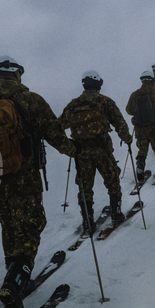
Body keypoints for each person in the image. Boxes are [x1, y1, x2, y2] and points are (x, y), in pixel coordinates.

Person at [0, 57, 77, 308]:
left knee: (8, 224)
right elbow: (54, 132)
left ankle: (13, 273)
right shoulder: (29, 99)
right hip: (23, 177)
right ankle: (14, 284)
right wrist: (73, 151)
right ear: (15, 74)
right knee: (30, 227)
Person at [58, 70, 132, 233]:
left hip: (81, 152)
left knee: (85, 187)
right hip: (101, 149)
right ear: (99, 84)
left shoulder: (73, 105)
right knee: (112, 180)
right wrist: (127, 138)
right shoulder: (105, 102)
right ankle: (116, 214)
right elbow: (119, 122)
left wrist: (68, 146)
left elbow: (57, 127)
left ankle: (87, 221)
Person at [126, 71, 155, 179]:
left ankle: (140, 167)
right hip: (154, 128)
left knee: (142, 149)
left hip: (140, 128)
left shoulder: (135, 94)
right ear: (152, 80)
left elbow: (129, 110)